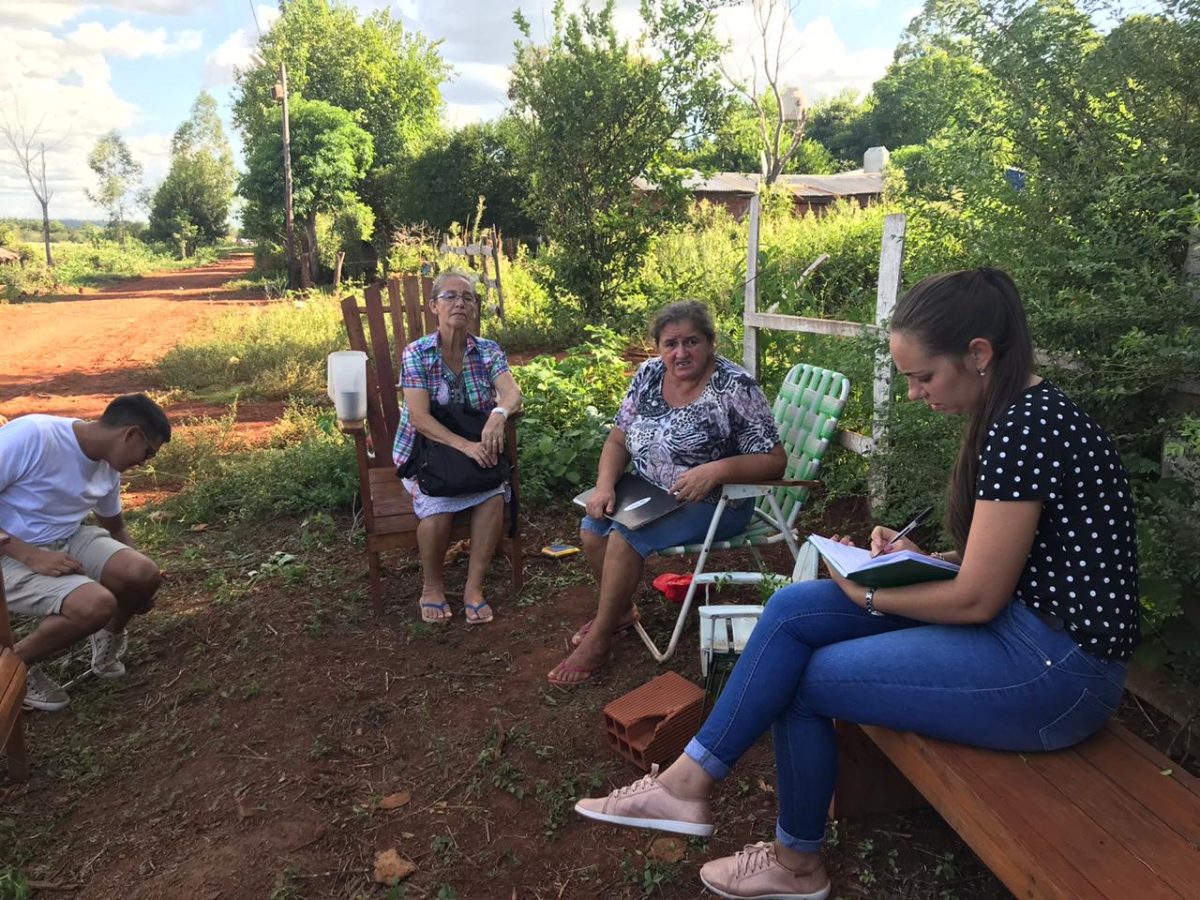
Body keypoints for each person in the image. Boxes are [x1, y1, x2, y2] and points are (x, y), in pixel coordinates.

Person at [573, 268, 1139, 900]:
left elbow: (979, 597)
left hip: (1055, 670)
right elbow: (1010, 562)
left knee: (808, 682)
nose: (916, 393)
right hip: (1020, 629)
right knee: (789, 608)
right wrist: (924, 556)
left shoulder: (1022, 429)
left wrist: (867, 591)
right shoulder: (1018, 414)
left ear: (978, 354)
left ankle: (795, 864)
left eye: (924, 377)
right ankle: (684, 787)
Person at [549, 300, 786, 685]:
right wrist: (605, 485)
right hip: (648, 493)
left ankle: (599, 640)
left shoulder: (735, 386)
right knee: (592, 529)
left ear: (710, 342)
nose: (681, 353)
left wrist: (715, 470)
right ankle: (622, 612)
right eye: (670, 343)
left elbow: (774, 461)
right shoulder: (648, 374)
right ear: (658, 346)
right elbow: (617, 439)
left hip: (716, 502)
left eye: (691, 342)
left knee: (625, 537)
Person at [1, 393, 171, 712]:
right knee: (96, 605)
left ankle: (107, 640)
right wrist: (30, 555)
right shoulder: (34, 436)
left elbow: (115, 528)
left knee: (142, 575)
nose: (144, 463)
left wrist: (140, 585)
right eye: (147, 452)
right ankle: (14, 668)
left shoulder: (108, 467)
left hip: (67, 537)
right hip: (7, 551)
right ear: (130, 433)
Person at [392, 269, 522, 625]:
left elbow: (512, 392)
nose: (460, 303)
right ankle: (432, 586)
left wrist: (498, 414)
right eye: (450, 296)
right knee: (438, 510)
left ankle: (473, 589)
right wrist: (465, 446)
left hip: (475, 446)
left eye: (467, 297)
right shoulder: (417, 353)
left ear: (475, 308)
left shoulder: (487, 351)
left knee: (493, 497)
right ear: (434, 306)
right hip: (426, 449)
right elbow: (419, 417)